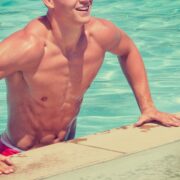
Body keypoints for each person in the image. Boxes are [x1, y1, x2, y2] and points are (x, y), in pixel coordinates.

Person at [0, 0, 179, 175]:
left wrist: (148, 107)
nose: (85, 0)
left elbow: (128, 50)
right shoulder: (27, 46)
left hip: (66, 148)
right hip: (15, 154)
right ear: (49, 2)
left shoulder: (100, 34)